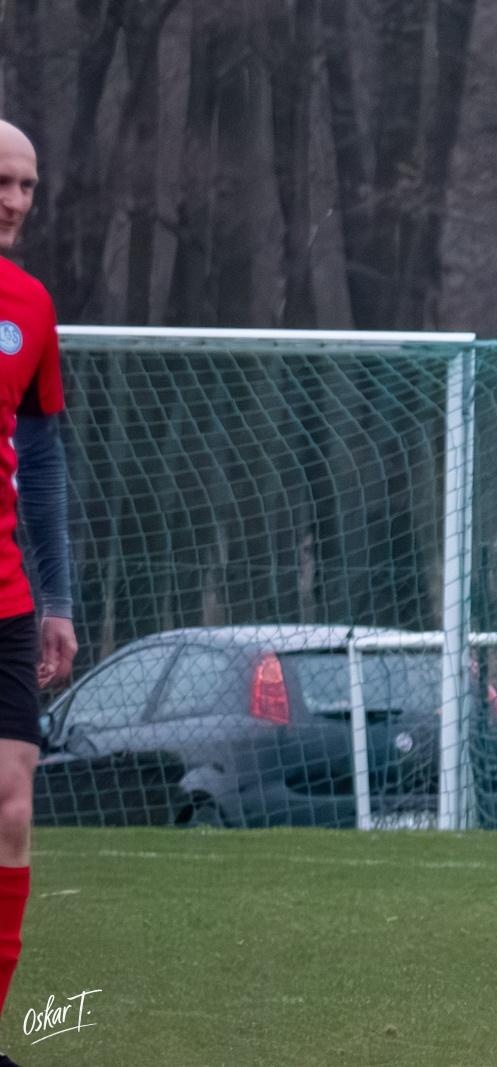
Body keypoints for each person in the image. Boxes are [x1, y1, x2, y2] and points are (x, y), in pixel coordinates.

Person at [0, 120, 79, 1066]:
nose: (15, 200)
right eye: (2, 183)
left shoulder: (32, 304)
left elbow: (46, 455)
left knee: (12, 807)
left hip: (10, 602)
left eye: (26, 185)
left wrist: (57, 597)